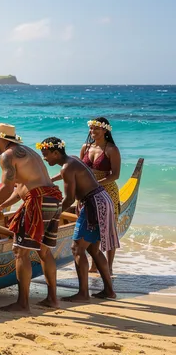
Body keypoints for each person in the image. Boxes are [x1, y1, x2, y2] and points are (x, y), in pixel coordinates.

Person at [0, 123, 63, 312]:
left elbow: (7, 187)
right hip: (53, 199)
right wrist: (0, 206)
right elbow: (22, 187)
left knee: (20, 252)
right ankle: (52, 299)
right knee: (44, 252)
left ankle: (22, 303)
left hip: (37, 202)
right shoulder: (28, 152)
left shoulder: (8, 155)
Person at [37, 137, 118, 301]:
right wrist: (49, 181)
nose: (44, 159)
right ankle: (109, 291)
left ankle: (83, 293)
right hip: (102, 199)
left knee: (77, 248)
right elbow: (68, 175)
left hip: (93, 204)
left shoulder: (67, 167)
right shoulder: (72, 159)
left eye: (46, 155)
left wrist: (54, 215)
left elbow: (69, 199)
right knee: (93, 249)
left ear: (55, 152)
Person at [81, 117, 121, 274]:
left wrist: (96, 185)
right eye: (91, 129)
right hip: (87, 192)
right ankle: (94, 265)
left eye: (96, 128)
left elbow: (115, 175)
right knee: (92, 226)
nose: (92, 131)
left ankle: (109, 267)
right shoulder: (86, 147)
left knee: (109, 228)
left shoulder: (112, 149)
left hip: (107, 191)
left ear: (105, 130)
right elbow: (80, 170)